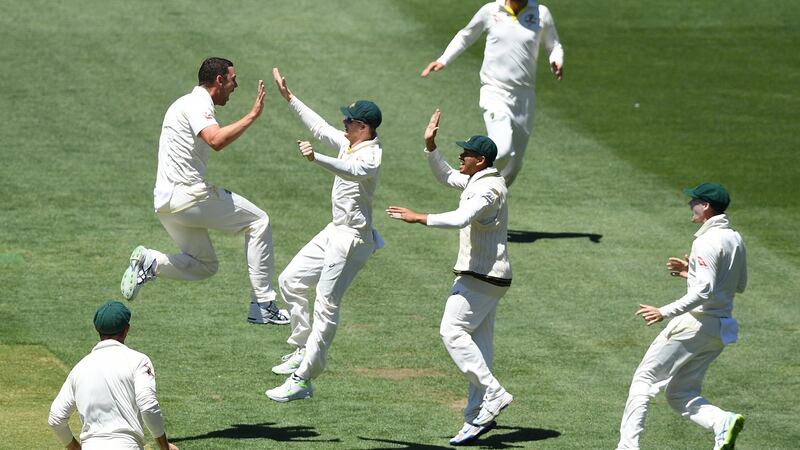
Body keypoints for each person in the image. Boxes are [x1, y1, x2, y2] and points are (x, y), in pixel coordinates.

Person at [120, 57, 288, 325]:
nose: (235, 85)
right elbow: (215, 140)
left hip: (165, 205)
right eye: (232, 79)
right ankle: (263, 304)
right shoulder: (197, 103)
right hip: (189, 197)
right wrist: (253, 115)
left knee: (205, 265)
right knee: (259, 221)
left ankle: (151, 262)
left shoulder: (183, 103)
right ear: (219, 80)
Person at [387, 110, 512, 446]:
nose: (461, 156)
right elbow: (446, 177)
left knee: (452, 331)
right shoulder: (479, 179)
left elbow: (461, 218)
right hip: (488, 276)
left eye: (466, 153)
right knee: (479, 349)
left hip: (481, 276)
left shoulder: (489, 191)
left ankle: (494, 393)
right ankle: (475, 416)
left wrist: (419, 217)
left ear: (480, 159)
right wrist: (431, 148)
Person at [265, 68, 384, 402]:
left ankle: (304, 379)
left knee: (327, 304)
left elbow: (353, 171)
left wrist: (316, 158)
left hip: (353, 239)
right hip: (334, 230)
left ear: (364, 128)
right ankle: (302, 347)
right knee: (290, 280)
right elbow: (318, 127)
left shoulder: (371, 154)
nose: (344, 125)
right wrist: (290, 97)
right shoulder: (349, 142)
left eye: (349, 122)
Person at [616, 183, 748, 450]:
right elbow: (737, 284)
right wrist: (693, 271)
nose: (691, 205)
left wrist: (663, 311)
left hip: (694, 324)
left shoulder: (706, 240)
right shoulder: (735, 238)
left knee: (644, 380)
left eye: (695, 201)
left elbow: (703, 292)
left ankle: (627, 447)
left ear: (707, 206)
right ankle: (722, 421)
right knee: (680, 393)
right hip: (719, 330)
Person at [421, 0, 564, 187]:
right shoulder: (491, 10)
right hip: (494, 91)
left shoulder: (541, 13)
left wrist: (556, 60)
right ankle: (467, 183)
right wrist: (444, 60)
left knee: (515, 164)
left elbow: (554, 45)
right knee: (502, 151)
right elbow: (466, 35)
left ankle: (489, 201)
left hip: (524, 96)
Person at [49, 301, 179, 450]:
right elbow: (148, 407)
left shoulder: (79, 369)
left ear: (97, 330)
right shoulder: (138, 361)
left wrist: (74, 448)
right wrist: (164, 447)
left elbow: (56, 418)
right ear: (126, 329)